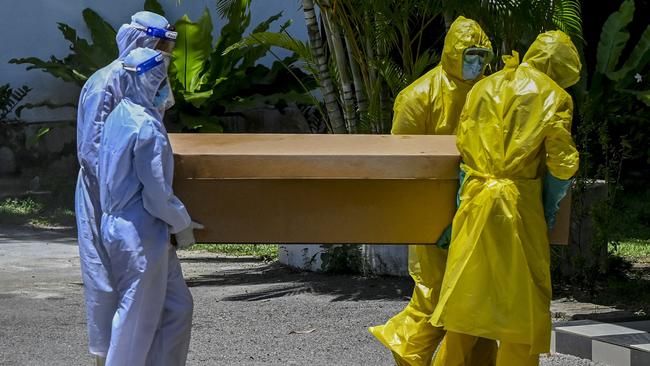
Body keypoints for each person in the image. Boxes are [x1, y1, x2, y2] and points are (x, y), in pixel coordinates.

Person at [430, 30, 581, 366]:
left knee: (465, 304)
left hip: (475, 199)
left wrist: (459, 205)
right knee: (522, 311)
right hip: (519, 206)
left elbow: (465, 147)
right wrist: (550, 206)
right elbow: (562, 163)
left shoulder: (484, 86)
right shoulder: (554, 96)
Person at [368, 16, 497, 366]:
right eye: (470, 55)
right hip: (433, 218)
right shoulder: (417, 97)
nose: (476, 64)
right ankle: (407, 350)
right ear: (453, 52)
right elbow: (403, 167)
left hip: (480, 210)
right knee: (434, 297)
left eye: (482, 56)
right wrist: (427, 221)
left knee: (481, 296)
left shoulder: (493, 92)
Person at [74, 11, 178, 365]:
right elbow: (93, 153)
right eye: (163, 44)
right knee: (107, 287)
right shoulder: (107, 83)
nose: (166, 53)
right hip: (106, 198)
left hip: (133, 203)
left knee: (151, 301)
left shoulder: (146, 75)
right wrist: (130, 189)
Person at [98, 47, 201, 366]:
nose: (164, 88)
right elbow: (155, 192)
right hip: (140, 233)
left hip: (133, 231)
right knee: (135, 323)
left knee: (177, 308)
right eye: (160, 80)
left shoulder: (121, 114)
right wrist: (181, 223)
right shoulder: (146, 127)